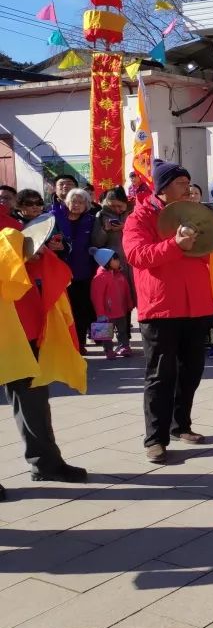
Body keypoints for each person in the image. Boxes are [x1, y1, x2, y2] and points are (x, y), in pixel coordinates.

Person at [124, 159, 213, 464]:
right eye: (180, 183)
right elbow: (137, 255)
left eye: (188, 183)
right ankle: (155, 438)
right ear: (162, 187)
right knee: (160, 375)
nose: (187, 188)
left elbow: (210, 250)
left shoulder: (192, 214)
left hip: (196, 305)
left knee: (191, 371)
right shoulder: (139, 218)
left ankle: (180, 425)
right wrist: (175, 245)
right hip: (160, 307)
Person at [0, 220, 88, 493]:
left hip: (23, 325)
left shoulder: (10, 217)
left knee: (34, 399)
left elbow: (29, 256)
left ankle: (46, 463)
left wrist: (34, 252)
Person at [56, 188, 96, 351]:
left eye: (81, 202)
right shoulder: (56, 218)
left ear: (87, 205)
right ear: (67, 202)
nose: (77, 205)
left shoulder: (92, 220)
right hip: (60, 272)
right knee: (64, 310)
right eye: (74, 201)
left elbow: (97, 242)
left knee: (81, 309)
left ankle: (79, 343)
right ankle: (65, 344)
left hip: (83, 272)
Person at [89, 247, 134, 359]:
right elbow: (97, 297)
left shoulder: (120, 275)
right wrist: (100, 313)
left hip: (121, 310)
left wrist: (129, 304)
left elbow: (126, 291)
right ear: (107, 262)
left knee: (122, 331)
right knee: (105, 333)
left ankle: (124, 346)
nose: (118, 261)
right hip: (106, 312)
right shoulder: (99, 278)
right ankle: (108, 350)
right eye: (115, 259)